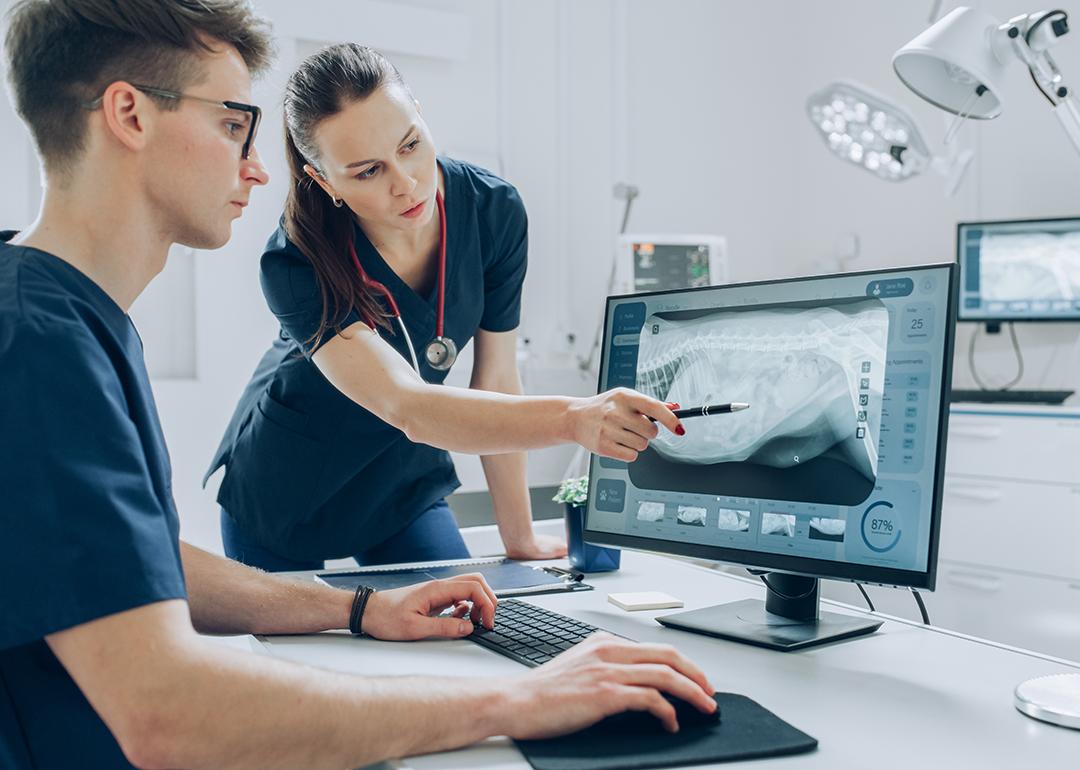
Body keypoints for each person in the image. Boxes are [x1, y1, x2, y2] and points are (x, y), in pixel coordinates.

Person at [0, 2, 716, 768]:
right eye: (232, 124)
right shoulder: (39, 346)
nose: (256, 166)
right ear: (130, 114)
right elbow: (166, 711)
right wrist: (523, 701)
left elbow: (138, 561)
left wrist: (361, 608)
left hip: (397, 483)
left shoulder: (59, 316)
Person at [206, 43, 685, 572]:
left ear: (421, 116)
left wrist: (519, 535)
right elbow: (403, 403)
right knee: (294, 650)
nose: (405, 182)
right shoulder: (296, 259)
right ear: (324, 181)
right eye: (368, 171)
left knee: (460, 625)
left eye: (410, 144)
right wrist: (575, 419)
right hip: (287, 486)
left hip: (401, 478)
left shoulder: (491, 210)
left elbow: (497, 378)